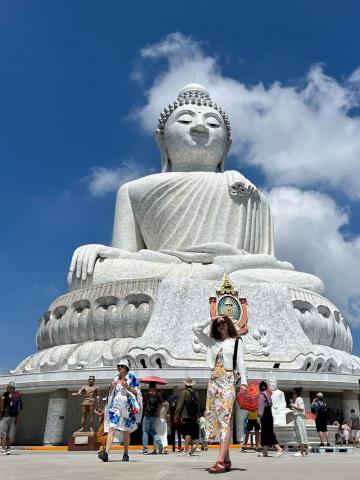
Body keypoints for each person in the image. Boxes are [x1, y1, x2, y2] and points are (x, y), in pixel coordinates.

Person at [193, 314, 247, 473]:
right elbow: (195, 329)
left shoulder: (236, 341)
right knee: (216, 419)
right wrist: (212, 318)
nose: (221, 325)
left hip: (228, 381)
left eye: (223, 322)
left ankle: (220, 461)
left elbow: (241, 363)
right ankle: (227, 459)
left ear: (228, 324)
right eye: (218, 324)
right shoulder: (211, 342)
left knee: (225, 419)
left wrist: (243, 382)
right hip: (213, 382)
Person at [98, 359, 142, 462]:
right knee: (112, 427)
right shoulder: (116, 378)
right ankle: (106, 453)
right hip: (116, 406)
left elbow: (137, 393)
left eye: (122, 366)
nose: (119, 368)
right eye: (118, 366)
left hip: (127, 407)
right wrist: (112, 387)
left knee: (126, 431)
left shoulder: (131, 378)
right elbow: (112, 394)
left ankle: (126, 453)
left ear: (126, 368)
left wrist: (127, 386)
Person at [257, 381, 284, 458]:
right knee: (266, 432)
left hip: (265, 415)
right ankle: (264, 451)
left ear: (260, 388)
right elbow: (271, 404)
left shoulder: (262, 396)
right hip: (269, 414)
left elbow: (261, 408)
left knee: (268, 433)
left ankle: (279, 448)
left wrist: (259, 417)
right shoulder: (268, 395)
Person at [175, 377, 200, 457]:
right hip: (193, 416)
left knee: (187, 433)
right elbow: (198, 405)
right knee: (189, 432)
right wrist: (197, 416)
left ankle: (186, 451)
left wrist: (176, 415)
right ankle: (193, 445)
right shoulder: (196, 393)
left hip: (186, 415)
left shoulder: (184, 392)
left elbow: (180, 405)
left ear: (185, 384)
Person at [142, 382, 164, 454]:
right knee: (153, 431)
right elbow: (161, 404)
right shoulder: (158, 394)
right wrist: (158, 411)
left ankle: (145, 449)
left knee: (145, 432)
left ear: (149, 386)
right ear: (155, 386)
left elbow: (143, 403)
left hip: (147, 415)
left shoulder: (146, 394)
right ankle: (159, 442)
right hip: (154, 415)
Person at [0, 383, 22, 455]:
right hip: (13, 416)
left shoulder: (6, 394)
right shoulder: (16, 395)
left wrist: (1, 412)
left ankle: (3, 449)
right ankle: (8, 449)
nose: (7, 388)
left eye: (8, 387)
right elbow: (19, 408)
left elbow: (1, 404)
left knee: (3, 434)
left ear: (10, 387)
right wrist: (16, 418)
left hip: (5, 416)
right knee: (8, 434)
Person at [289, 387, 309, 457]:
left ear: (296, 393)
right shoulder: (298, 399)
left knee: (300, 434)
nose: (293, 395)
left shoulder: (299, 399)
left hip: (299, 418)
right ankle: (305, 448)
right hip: (298, 418)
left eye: (294, 393)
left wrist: (293, 405)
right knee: (297, 434)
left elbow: (301, 409)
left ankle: (301, 451)